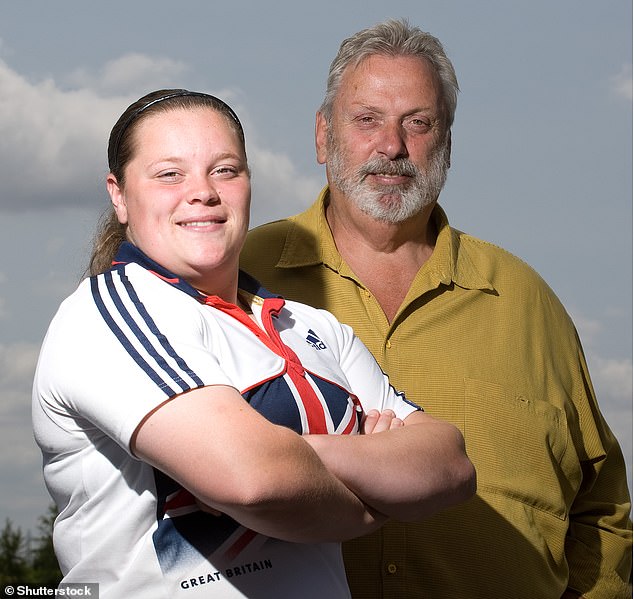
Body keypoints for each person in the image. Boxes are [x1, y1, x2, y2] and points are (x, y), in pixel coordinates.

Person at [240, 19, 633, 599]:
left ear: (447, 140)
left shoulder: (527, 302)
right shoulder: (236, 275)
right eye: (367, 118)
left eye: (418, 123)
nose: (393, 146)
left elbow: (601, 509)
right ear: (324, 136)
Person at [31, 89, 475, 599]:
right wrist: (377, 489)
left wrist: (298, 454)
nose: (202, 192)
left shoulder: (314, 328)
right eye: (169, 174)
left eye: (225, 170)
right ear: (119, 194)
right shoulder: (107, 314)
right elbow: (254, 481)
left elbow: (451, 464)